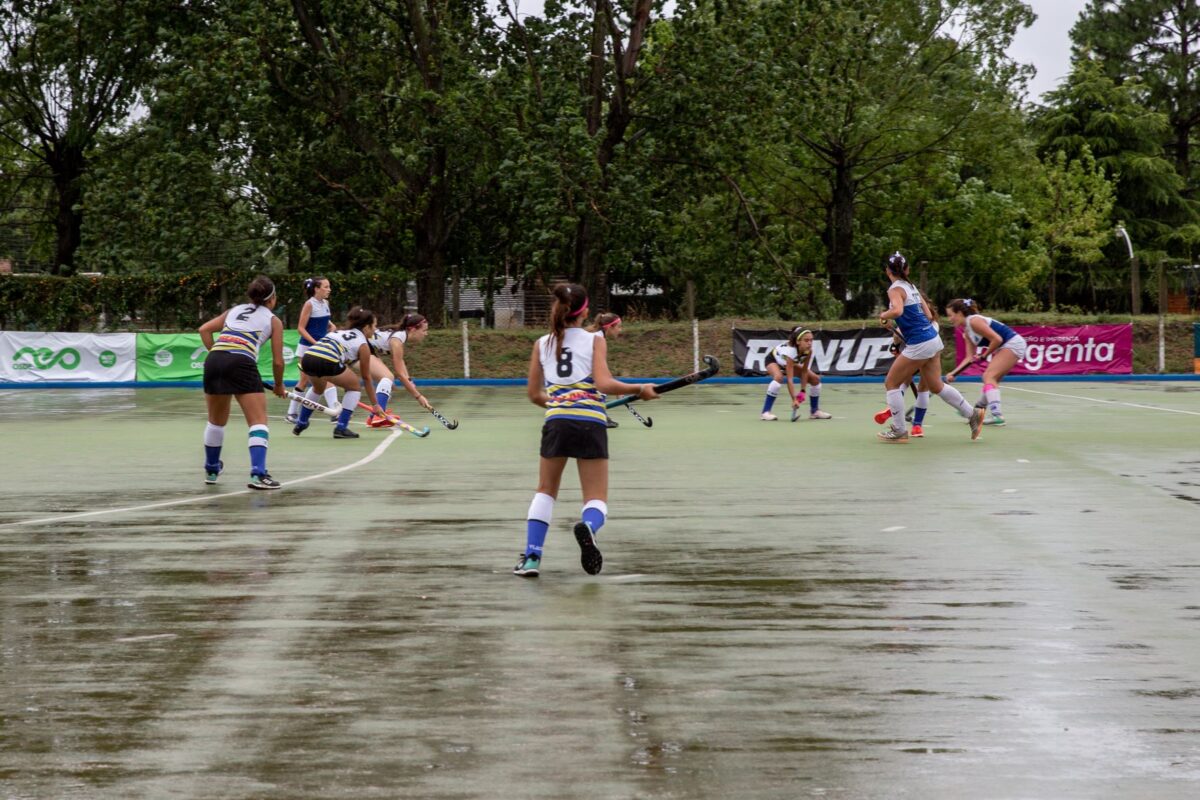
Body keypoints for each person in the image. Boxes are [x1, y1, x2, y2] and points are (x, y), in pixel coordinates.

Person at [513, 284, 658, 578]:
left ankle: (531, 558)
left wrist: (561, 406)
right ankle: (588, 528)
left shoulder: (541, 343)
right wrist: (639, 389)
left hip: (556, 421)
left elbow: (534, 395)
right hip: (591, 422)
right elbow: (604, 384)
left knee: (545, 491)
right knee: (595, 498)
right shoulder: (595, 339)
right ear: (586, 312)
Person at [877, 252, 983, 443]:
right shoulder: (911, 287)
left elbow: (898, 310)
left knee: (891, 383)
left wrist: (885, 314)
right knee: (936, 386)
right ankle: (972, 414)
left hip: (919, 343)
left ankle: (899, 431)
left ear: (887, 271)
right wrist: (900, 320)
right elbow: (927, 314)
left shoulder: (894, 289)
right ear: (907, 270)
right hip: (933, 339)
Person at [198, 275, 286, 489]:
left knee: (216, 421)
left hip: (214, 359)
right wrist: (278, 385)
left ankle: (211, 469)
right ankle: (258, 474)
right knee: (258, 421)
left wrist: (219, 354)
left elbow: (204, 330)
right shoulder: (274, 320)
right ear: (272, 298)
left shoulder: (234, 310)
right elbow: (278, 361)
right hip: (241, 361)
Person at [291, 307, 383, 439]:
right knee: (355, 386)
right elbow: (366, 377)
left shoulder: (339, 332)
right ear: (366, 327)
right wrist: (375, 405)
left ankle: (301, 422)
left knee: (318, 388)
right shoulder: (363, 344)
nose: (375, 329)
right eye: (374, 325)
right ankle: (341, 427)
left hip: (308, 357)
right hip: (326, 360)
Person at [944, 298, 1028, 426]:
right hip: (1007, 345)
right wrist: (953, 373)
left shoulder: (974, 321)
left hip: (1013, 344)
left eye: (951, 315)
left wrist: (984, 355)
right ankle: (977, 413)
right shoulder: (967, 332)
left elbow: (997, 339)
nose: (949, 319)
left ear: (960, 313)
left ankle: (997, 415)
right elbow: (969, 358)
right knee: (993, 380)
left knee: (988, 376)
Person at [286, 276, 341, 423]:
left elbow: (327, 323)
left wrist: (332, 329)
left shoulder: (325, 303)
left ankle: (334, 414)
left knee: (327, 378)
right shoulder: (309, 304)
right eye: (326, 287)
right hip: (307, 348)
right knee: (303, 381)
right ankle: (291, 414)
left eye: (329, 286)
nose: (329, 289)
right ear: (316, 289)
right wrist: (315, 343)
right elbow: (301, 329)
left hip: (321, 349)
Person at [364, 313, 433, 428]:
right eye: (424, 330)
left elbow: (401, 363)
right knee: (387, 377)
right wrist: (418, 396)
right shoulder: (397, 340)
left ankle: (373, 417)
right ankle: (378, 416)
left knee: (386, 382)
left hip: (368, 350)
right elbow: (400, 375)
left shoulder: (401, 336)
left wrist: (409, 381)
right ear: (412, 329)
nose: (426, 334)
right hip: (360, 347)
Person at [759, 326, 832, 421]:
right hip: (773, 360)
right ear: (798, 342)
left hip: (789, 364)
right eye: (806, 340)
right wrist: (794, 399)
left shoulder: (808, 351)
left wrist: (802, 391)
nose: (809, 343)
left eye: (811, 340)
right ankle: (765, 412)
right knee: (778, 377)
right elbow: (790, 379)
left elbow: (804, 372)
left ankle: (814, 411)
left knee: (815, 379)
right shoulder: (790, 352)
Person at [589, 312, 624, 428]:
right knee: (601, 385)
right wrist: (617, 388)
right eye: (618, 327)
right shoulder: (598, 339)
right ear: (609, 327)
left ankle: (600, 414)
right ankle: (600, 416)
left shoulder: (597, 336)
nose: (620, 330)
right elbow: (602, 369)